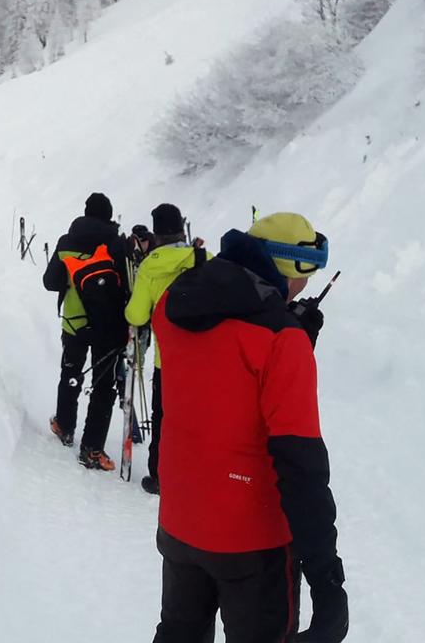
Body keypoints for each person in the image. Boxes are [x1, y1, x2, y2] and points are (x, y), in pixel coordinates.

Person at [150, 212, 345, 643]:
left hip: (181, 523)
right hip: (253, 543)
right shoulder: (280, 342)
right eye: (307, 273)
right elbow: (301, 466)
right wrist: (327, 578)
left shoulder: (173, 306)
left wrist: (287, 328)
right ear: (290, 267)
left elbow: (217, 380)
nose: (307, 285)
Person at [124, 204, 208, 496]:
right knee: (199, 416)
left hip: (168, 358)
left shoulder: (151, 265)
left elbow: (137, 315)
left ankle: (160, 476)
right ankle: (198, 472)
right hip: (206, 356)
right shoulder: (203, 258)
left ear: (156, 232)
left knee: (164, 418)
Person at [42, 193, 129, 471]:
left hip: (75, 322)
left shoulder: (67, 242)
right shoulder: (116, 244)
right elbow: (128, 285)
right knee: (103, 386)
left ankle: (65, 426)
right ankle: (92, 450)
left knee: (71, 374)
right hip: (109, 326)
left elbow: (50, 282)